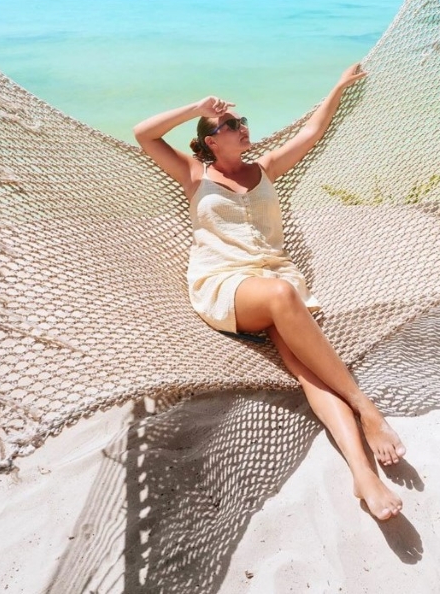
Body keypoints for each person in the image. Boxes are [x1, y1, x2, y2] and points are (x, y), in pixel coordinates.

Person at [133, 64, 406, 520]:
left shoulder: (266, 167)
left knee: (309, 374)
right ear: (211, 142)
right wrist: (197, 108)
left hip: (280, 286)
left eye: (241, 123)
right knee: (281, 295)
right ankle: (366, 407)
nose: (242, 128)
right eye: (230, 126)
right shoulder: (192, 173)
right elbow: (144, 134)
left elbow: (314, 132)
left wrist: (337, 86)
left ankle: (362, 475)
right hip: (227, 286)